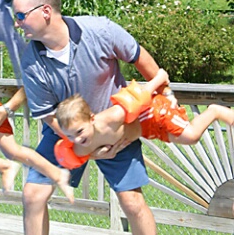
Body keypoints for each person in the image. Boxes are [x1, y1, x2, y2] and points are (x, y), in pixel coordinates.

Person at [0, 0, 174, 235]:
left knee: (132, 201)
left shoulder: (100, 30)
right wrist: (88, 148)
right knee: (33, 193)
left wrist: (165, 95)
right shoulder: (31, 60)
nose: (17, 22)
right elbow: (50, 118)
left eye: (20, 15)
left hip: (114, 126)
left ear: (45, 12)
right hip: (65, 134)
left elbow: (143, 60)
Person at [54, 68, 234, 167]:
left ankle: (215, 111)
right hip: (147, 130)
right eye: (69, 136)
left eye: (79, 131)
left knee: (191, 136)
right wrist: (98, 156)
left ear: (91, 119)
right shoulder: (80, 148)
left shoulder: (112, 118)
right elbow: (77, 158)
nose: (77, 138)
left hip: (155, 111)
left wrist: (159, 79)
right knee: (187, 137)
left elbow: (137, 97)